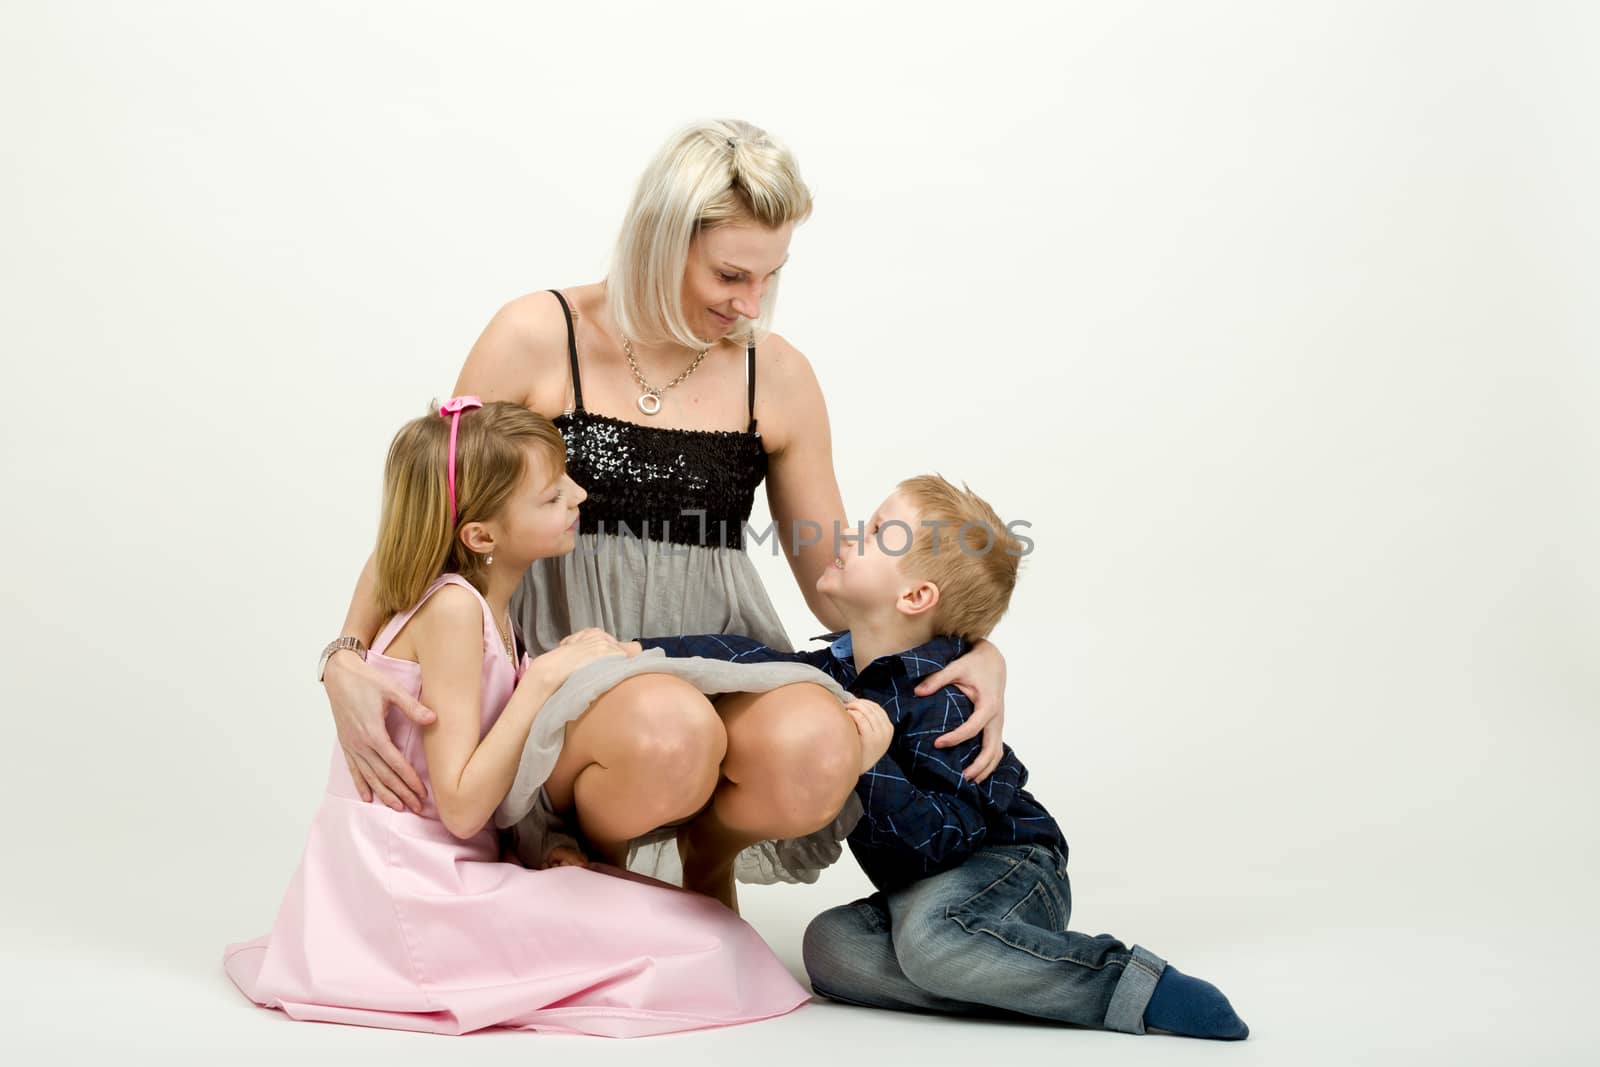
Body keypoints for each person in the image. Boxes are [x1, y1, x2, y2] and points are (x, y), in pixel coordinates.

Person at [318, 119, 1015, 905]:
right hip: (573, 665)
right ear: (659, 240)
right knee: (668, 725)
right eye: (729, 275)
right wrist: (344, 652)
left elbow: (838, 579)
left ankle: (704, 860)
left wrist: (969, 643)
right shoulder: (537, 336)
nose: (751, 303)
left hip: (726, 662)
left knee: (822, 740)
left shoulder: (776, 377)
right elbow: (432, 510)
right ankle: (583, 858)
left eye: (770, 276)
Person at [224, 399, 810, 1036]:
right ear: (482, 536)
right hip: (411, 894)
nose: (581, 494)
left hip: (451, 872)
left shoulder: (490, 611)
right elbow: (459, 806)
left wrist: (549, 842)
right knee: (708, 946)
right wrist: (548, 679)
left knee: (708, 935)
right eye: (552, 495)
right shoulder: (451, 611)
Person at [637, 475, 1250, 1040]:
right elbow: (745, 658)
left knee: (931, 943)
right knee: (829, 949)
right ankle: (1005, 973)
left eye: (877, 532)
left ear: (915, 595)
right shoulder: (832, 672)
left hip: (1006, 865)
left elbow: (945, 844)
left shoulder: (944, 699)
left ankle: (1128, 985)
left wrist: (868, 762)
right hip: (920, 894)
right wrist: (635, 650)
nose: (849, 534)